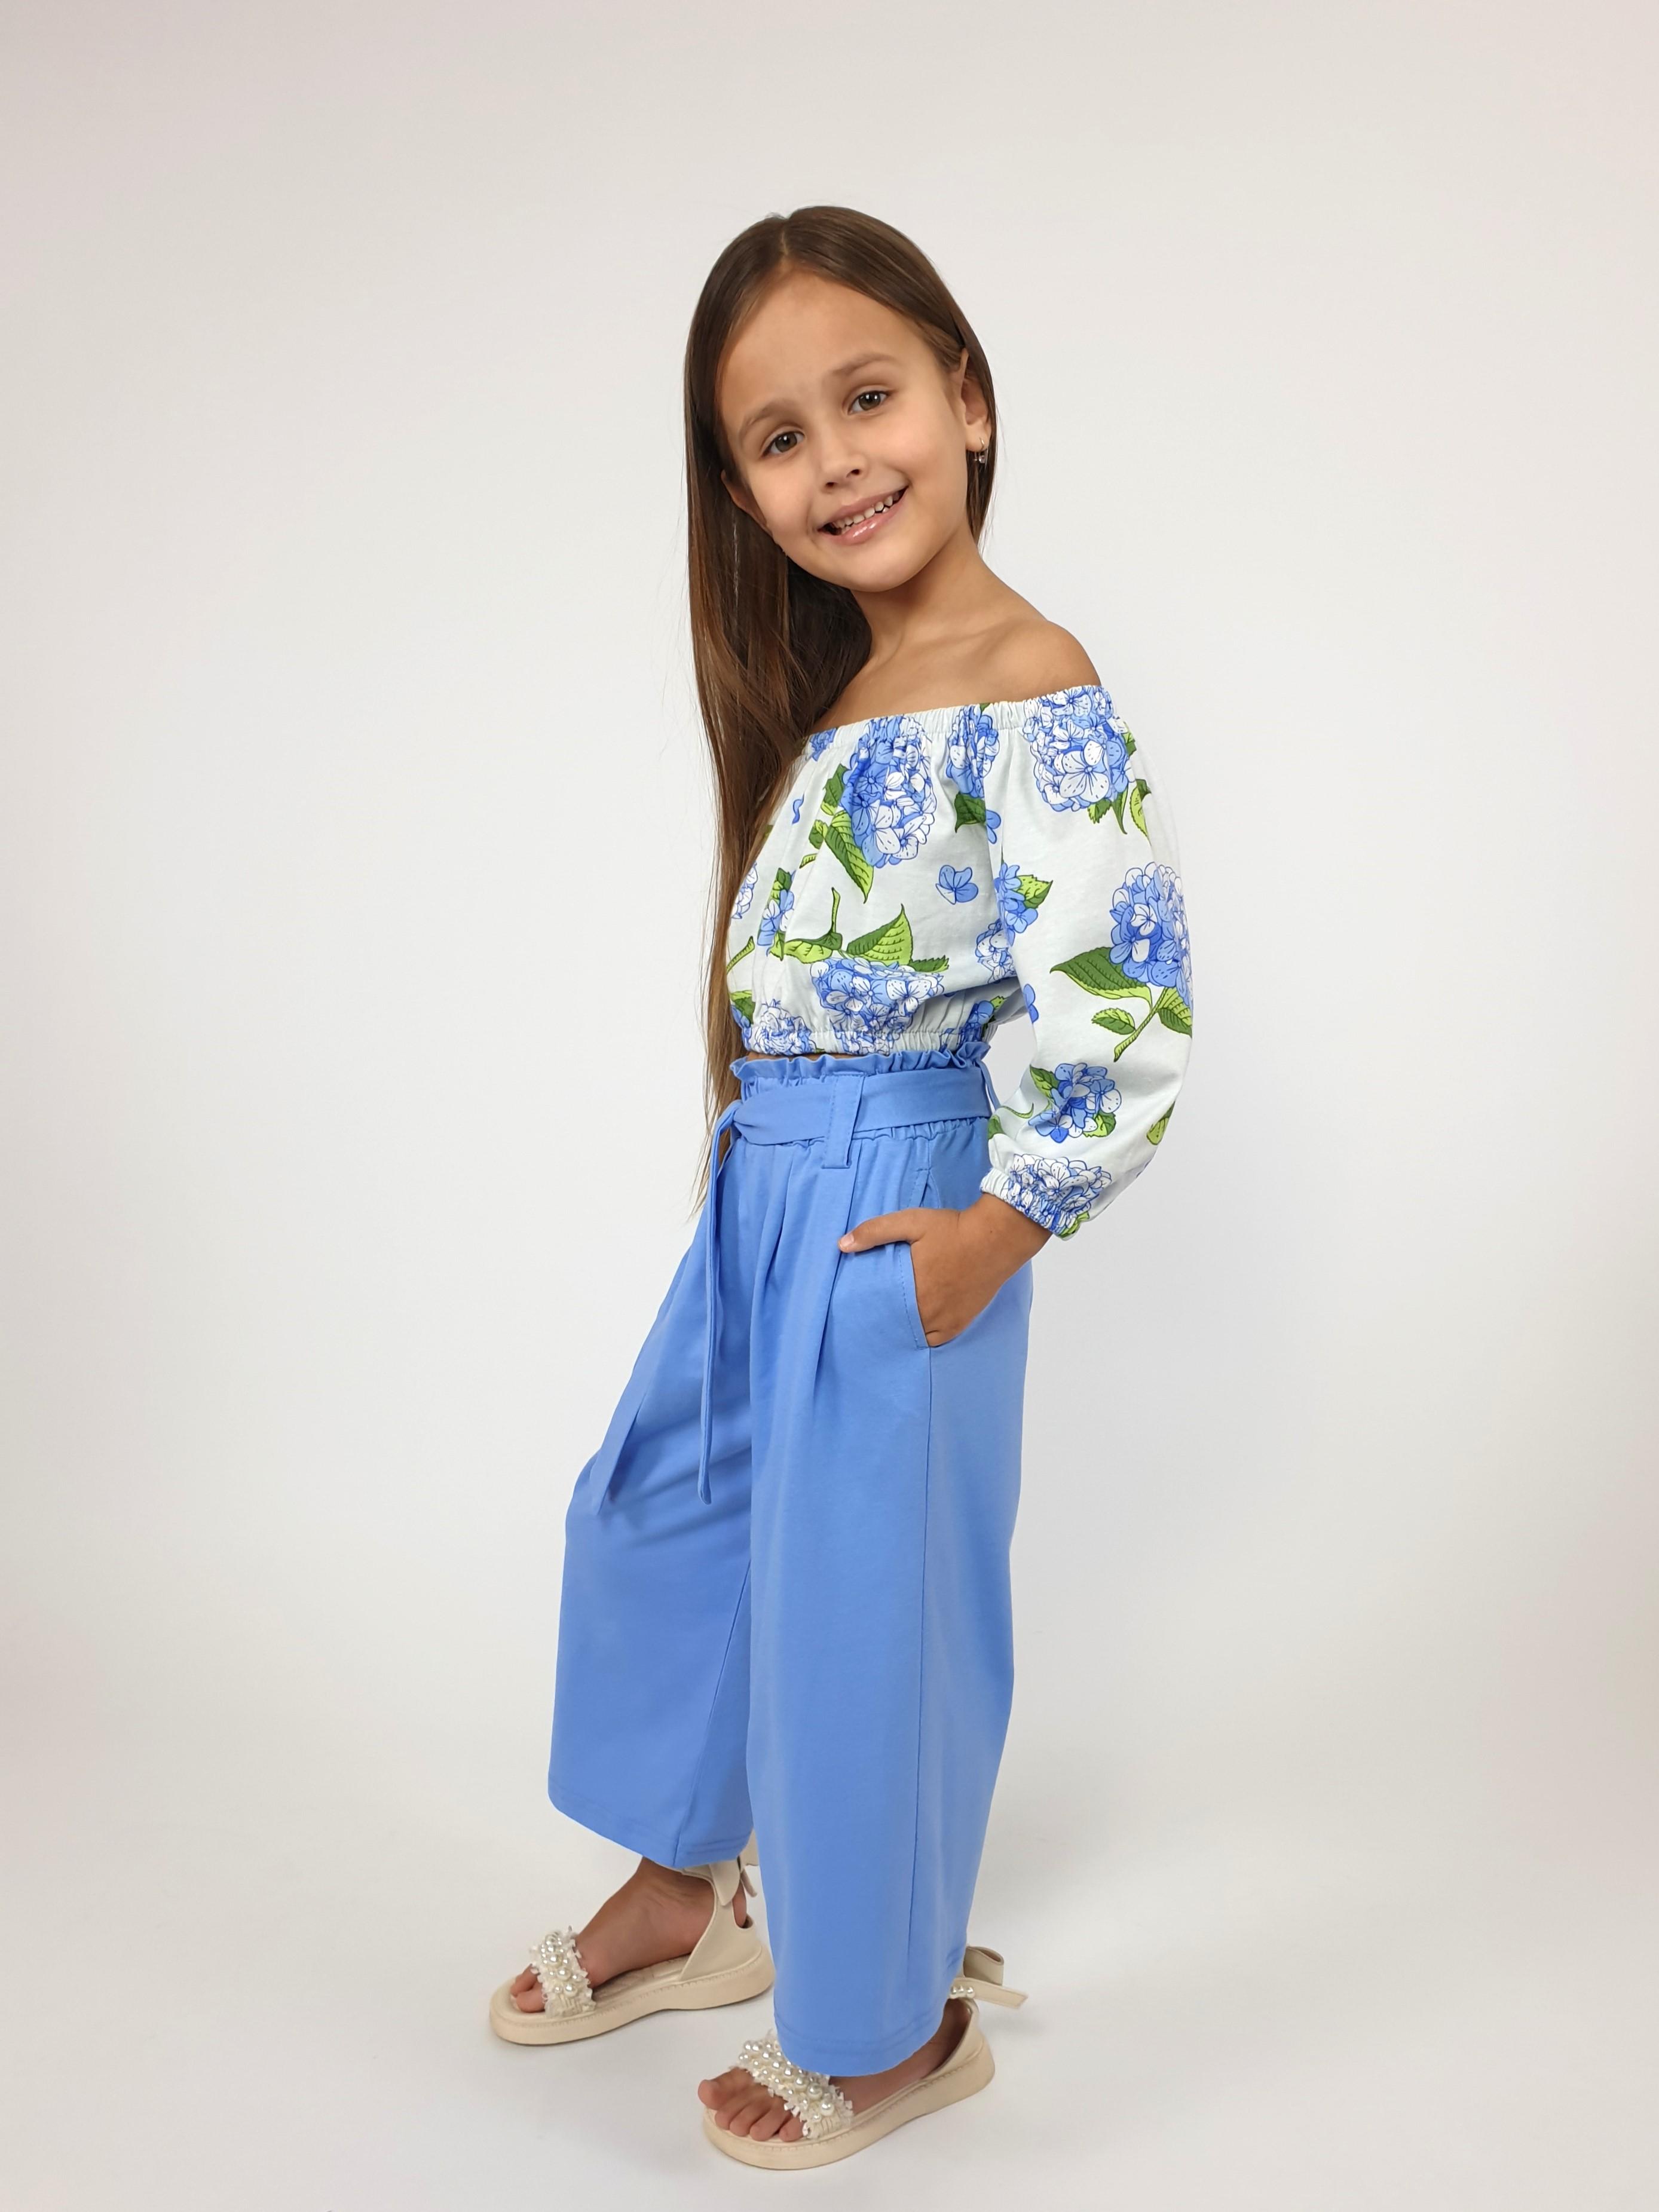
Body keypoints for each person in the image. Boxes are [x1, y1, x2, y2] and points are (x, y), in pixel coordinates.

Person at [485, 205, 1194, 2171]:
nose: (838, 462)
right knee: (663, 1519)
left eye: (868, 398)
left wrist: (1003, 1226)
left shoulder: (1030, 679)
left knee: (864, 1610)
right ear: (740, 492)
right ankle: (690, 1885)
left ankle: (890, 2027)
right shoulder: (831, 700)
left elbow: (1123, 979)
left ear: (968, 400)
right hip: (766, 1190)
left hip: (905, 1196)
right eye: (780, 438)